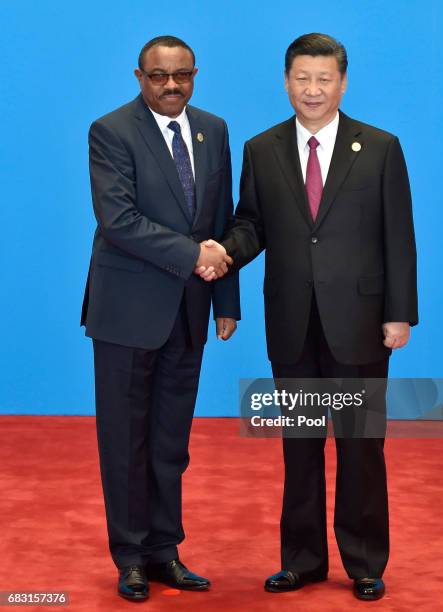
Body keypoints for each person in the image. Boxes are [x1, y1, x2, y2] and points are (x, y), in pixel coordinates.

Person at [199, 32, 418, 601]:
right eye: (302, 78)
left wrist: (400, 314)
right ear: (286, 81)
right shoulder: (262, 149)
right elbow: (251, 225)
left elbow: (399, 236)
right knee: (299, 446)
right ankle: (301, 561)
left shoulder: (380, 147)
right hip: (292, 322)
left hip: (362, 324)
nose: (313, 89)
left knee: (360, 448)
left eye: (324, 79)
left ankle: (365, 562)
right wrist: (225, 251)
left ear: (342, 83)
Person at [80, 35, 240, 602]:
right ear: (138, 76)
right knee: (125, 440)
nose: (171, 85)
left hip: (191, 313)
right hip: (126, 314)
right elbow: (119, 220)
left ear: (195, 74)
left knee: (171, 441)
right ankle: (130, 557)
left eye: (181, 75)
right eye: (158, 76)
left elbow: (220, 217)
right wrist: (195, 255)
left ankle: (166, 550)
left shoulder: (214, 130)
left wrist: (226, 301)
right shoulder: (111, 131)